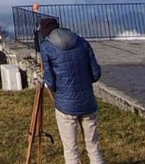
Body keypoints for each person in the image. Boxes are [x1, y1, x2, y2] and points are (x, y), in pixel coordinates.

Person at [38, 17, 104, 164]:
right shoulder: (82, 42)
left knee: (71, 150)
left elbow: (51, 82)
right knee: (93, 147)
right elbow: (96, 74)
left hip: (65, 105)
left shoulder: (46, 47)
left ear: (45, 33)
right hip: (87, 102)